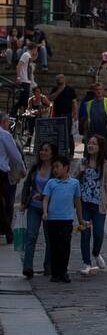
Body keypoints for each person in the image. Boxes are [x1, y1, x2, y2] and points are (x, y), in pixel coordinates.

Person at [76, 134, 107, 275]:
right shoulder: (82, 162)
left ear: (100, 147)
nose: (91, 146)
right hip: (84, 204)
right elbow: (74, 182)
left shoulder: (106, 165)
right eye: (89, 143)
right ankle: (86, 262)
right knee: (85, 233)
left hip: (99, 204)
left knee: (98, 233)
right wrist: (79, 173)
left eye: (94, 143)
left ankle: (96, 253)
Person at [41, 155, 84, 284]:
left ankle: (63, 271)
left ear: (66, 168)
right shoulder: (51, 183)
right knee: (53, 246)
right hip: (52, 220)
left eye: (57, 167)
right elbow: (46, 198)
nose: (55, 170)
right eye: (54, 167)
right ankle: (55, 273)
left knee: (65, 246)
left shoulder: (74, 183)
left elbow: (78, 202)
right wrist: (45, 212)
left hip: (67, 219)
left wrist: (81, 219)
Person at [19, 140, 57, 278]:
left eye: (46, 150)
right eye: (41, 150)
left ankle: (48, 267)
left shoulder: (55, 169)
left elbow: (58, 187)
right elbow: (27, 185)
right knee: (31, 236)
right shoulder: (35, 168)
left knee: (50, 239)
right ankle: (28, 267)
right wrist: (24, 202)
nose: (43, 152)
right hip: (34, 207)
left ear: (52, 153)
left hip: (50, 208)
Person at [79, 82, 107, 171]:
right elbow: (86, 120)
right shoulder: (88, 104)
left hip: (106, 135)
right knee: (89, 156)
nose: (98, 91)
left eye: (100, 89)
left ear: (103, 91)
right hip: (92, 134)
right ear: (93, 91)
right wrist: (85, 135)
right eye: (96, 90)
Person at [0, 112, 25, 241]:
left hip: (3, 173)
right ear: (3, 122)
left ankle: (6, 230)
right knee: (7, 202)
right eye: (8, 122)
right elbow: (16, 155)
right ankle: (8, 231)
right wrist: (23, 169)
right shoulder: (5, 135)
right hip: (2, 173)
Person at [49, 75, 77, 159]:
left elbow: (74, 102)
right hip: (57, 115)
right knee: (57, 134)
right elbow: (50, 98)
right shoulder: (55, 89)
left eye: (61, 78)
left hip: (67, 114)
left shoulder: (70, 90)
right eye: (57, 78)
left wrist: (75, 114)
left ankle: (71, 153)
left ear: (64, 79)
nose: (59, 79)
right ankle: (57, 152)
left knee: (68, 134)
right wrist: (59, 91)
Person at [15, 43, 36, 114]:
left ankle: (25, 115)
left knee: (25, 100)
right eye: (36, 50)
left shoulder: (29, 56)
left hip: (27, 81)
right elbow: (18, 66)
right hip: (24, 81)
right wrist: (18, 77)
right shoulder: (26, 55)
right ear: (34, 49)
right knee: (23, 100)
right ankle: (13, 113)